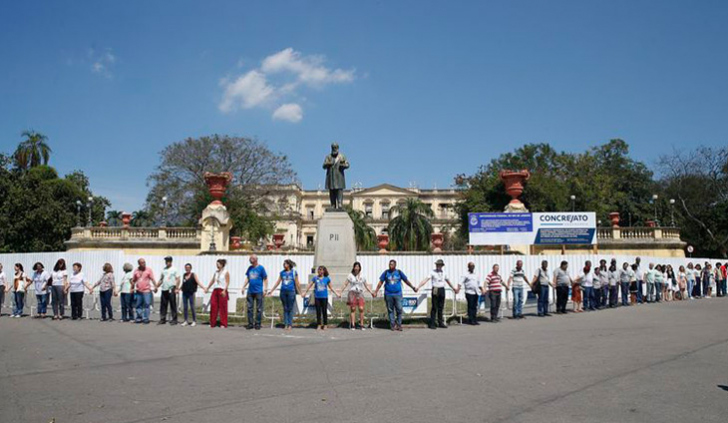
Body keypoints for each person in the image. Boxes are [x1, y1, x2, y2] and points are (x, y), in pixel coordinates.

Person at [373, 260, 417, 331]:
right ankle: (392, 325)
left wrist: (413, 287)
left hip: (398, 294)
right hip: (388, 294)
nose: (390, 266)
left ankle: (399, 324)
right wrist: (375, 291)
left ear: (395, 265)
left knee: (399, 309)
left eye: (392, 264)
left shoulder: (399, 272)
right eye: (390, 264)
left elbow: (406, 281)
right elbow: (380, 283)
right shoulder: (386, 273)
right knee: (390, 310)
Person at [417, 259, 458, 329]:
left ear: (442, 266)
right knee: (434, 307)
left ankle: (440, 322)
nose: (439, 266)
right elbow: (426, 280)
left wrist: (454, 288)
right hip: (435, 289)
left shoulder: (444, 273)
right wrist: (418, 286)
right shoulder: (432, 272)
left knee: (441, 307)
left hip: (442, 289)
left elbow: (448, 281)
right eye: (437, 265)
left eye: (440, 265)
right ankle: (432, 323)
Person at [267, 259, 304, 331]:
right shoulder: (282, 273)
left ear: (289, 265)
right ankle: (285, 324)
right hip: (283, 292)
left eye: (285, 264)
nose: (284, 265)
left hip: (291, 292)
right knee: (285, 308)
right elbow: (278, 282)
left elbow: (297, 283)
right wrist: (271, 291)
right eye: (284, 264)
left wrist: (300, 292)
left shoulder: (294, 273)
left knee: (290, 308)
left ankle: (290, 324)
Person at [302, 266, 340, 331]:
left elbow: (331, 287)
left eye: (321, 270)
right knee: (318, 312)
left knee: (324, 311)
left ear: (324, 271)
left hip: (324, 297)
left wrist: (337, 293)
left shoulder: (327, 278)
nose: (319, 271)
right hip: (317, 297)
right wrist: (305, 292)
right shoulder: (315, 278)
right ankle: (319, 325)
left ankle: (325, 325)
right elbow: (309, 285)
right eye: (319, 270)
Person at [339, 261, 374, 330]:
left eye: (358, 267)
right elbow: (345, 284)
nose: (356, 268)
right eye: (355, 267)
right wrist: (340, 292)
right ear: (354, 267)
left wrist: (371, 292)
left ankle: (361, 324)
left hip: (360, 293)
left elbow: (366, 285)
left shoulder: (362, 276)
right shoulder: (350, 275)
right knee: (353, 308)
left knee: (361, 308)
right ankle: (353, 324)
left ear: (360, 268)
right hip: (352, 292)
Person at [242, 254, 268, 330]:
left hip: (259, 291)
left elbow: (265, 278)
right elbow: (248, 278)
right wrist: (243, 286)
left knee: (259, 308)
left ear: (256, 259)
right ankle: (250, 323)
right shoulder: (250, 268)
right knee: (249, 308)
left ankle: (258, 324)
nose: (250, 260)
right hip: (250, 291)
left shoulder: (261, 268)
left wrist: (265, 289)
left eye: (251, 258)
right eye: (250, 258)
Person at [156, 256, 181, 326]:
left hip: (171, 289)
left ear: (171, 261)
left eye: (168, 261)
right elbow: (161, 279)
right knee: (163, 304)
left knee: (173, 304)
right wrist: (156, 286)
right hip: (164, 289)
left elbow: (178, 279)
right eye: (166, 261)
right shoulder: (164, 270)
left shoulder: (174, 269)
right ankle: (162, 318)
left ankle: (174, 319)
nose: (167, 262)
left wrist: (177, 288)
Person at [206, 259, 230, 328]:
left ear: (222, 264)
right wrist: (207, 287)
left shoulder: (226, 272)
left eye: (218, 264)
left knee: (223, 307)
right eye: (216, 264)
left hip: (222, 290)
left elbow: (227, 282)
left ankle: (223, 323)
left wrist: (224, 290)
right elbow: (213, 280)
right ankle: (212, 323)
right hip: (215, 290)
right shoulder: (216, 272)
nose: (217, 265)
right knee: (213, 306)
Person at [132, 258, 156, 324]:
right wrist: (131, 288)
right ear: (139, 263)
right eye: (142, 262)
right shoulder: (136, 271)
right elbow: (133, 280)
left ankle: (146, 318)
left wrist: (156, 287)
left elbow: (152, 279)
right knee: (138, 305)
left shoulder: (148, 270)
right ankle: (139, 318)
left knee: (147, 304)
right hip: (139, 291)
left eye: (144, 262)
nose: (144, 264)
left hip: (147, 290)